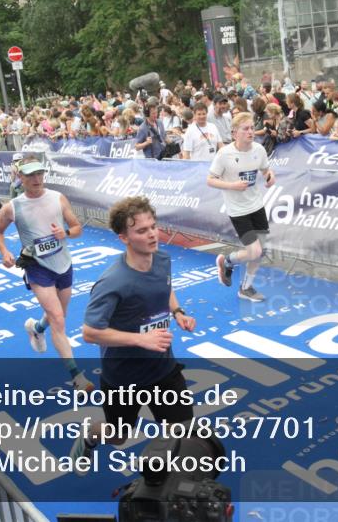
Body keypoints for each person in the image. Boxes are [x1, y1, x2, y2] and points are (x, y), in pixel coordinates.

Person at [69, 196, 197, 470]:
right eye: (141, 230)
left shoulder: (162, 259)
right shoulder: (113, 281)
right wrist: (141, 339)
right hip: (123, 377)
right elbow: (90, 333)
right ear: (123, 238)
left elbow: (166, 288)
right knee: (118, 436)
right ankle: (91, 435)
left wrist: (178, 312)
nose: (152, 234)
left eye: (153, 226)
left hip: (164, 370)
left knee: (183, 436)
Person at [0, 158, 93, 392]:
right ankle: (77, 376)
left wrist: (64, 233)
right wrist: (5, 251)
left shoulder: (57, 198)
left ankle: (36, 329)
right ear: (21, 177)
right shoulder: (12, 207)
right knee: (58, 318)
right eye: (30, 175)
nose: (36, 179)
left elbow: (77, 229)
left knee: (60, 314)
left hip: (63, 264)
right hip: (37, 267)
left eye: (39, 174)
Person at [209, 112, 276, 302]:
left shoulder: (259, 150)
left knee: (259, 252)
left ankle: (246, 288)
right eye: (245, 129)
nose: (250, 132)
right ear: (234, 133)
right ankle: (228, 261)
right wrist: (232, 186)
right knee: (254, 251)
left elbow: (265, 170)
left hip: (257, 206)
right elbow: (210, 180)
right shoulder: (225, 154)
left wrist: (270, 177)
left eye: (252, 128)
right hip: (238, 211)